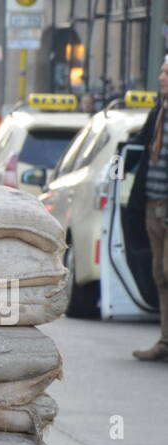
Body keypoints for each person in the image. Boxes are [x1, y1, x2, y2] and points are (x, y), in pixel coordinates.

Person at [128, 57, 168, 361]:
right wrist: (113, 171)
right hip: (153, 204)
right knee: (159, 274)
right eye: (162, 70)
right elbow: (138, 148)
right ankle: (165, 341)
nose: (161, 77)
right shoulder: (158, 112)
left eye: (167, 72)